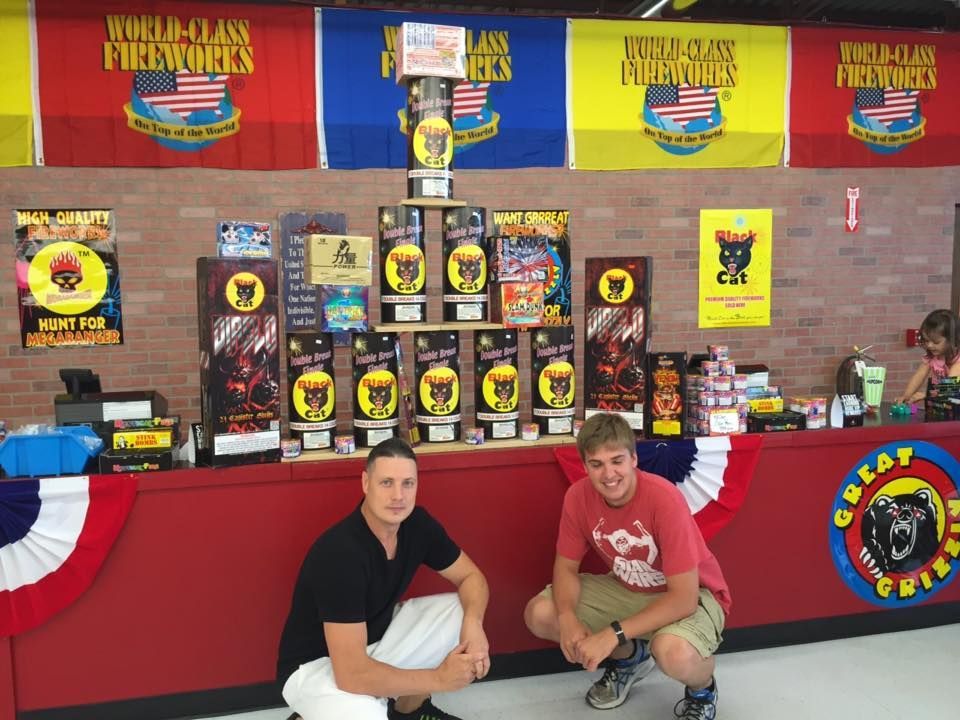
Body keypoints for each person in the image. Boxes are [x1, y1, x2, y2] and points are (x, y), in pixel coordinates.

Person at [524, 413, 730, 719]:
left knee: (673, 654)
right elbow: (566, 567)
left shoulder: (664, 499)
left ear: (634, 459)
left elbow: (684, 599)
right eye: (597, 464)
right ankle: (630, 658)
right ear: (585, 467)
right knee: (541, 614)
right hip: (628, 587)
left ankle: (702, 690)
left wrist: (611, 634)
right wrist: (567, 617)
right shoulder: (577, 497)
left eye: (617, 460)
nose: (608, 474)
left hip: (694, 597)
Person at [277, 437, 490, 720]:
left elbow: (471, 577)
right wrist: (438, 679)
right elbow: (351, 674)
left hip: (373, 645)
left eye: (407, 484)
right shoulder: (340, 553)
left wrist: (474, 625)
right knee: (366, 715)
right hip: (313, 668)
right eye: (386, 483)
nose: (398, 496)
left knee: (462, 609)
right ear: (366, 483)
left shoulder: (417, 525)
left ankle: (409, 711)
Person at [896, 308, 960, 404]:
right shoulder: (932, 357)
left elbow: (948, 391)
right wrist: (906, 396)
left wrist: (927, 395)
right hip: (940, 403)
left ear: (952, 340)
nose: (929, 345)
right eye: (926, 340)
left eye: (936, 342)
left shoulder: (957, 363)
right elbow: (919, 375)